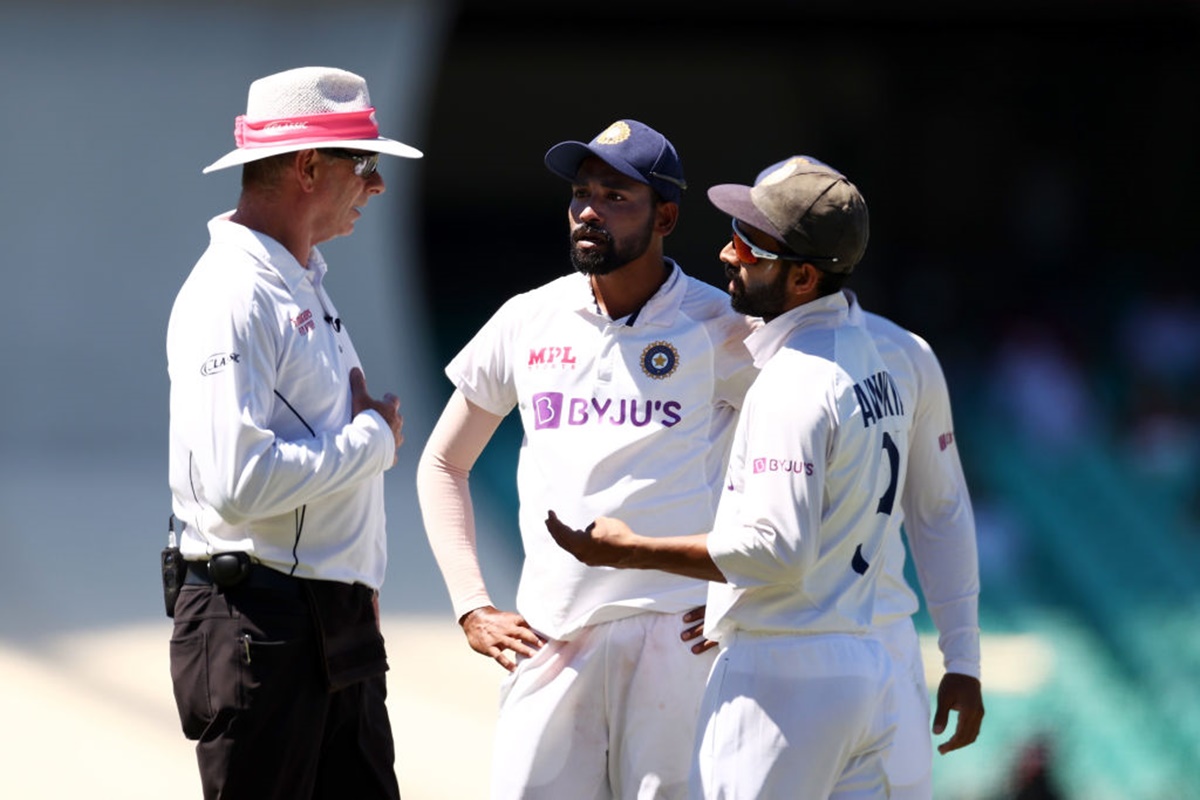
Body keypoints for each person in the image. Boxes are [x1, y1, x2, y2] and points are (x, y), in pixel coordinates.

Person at [415, 119, 758, 799]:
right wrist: (471, 606)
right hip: (549, 637)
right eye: (580, 194)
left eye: (615, 197)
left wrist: (747, 591)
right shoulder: (527, 318)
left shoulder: (722, 326)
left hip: (680, 637)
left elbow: (807, 464)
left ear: (666, 215)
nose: (588, 212)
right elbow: (442, 465)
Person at [546, 155, 906, 799]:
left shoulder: (792, 381)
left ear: (801, 276)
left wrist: (627, 551)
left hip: (782, 677)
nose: (726, 252)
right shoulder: (869, 361)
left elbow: (776, 551)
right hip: (862, 663)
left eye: (750, 244)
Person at [166, 66, 420, 800]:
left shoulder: (299, 277)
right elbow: (237, 484)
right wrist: (375, 441)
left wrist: (356, 576)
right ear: (310, 166)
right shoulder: (233, 291)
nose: (376, 187)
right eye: (364, 164)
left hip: (322, 618)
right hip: (261, 620)